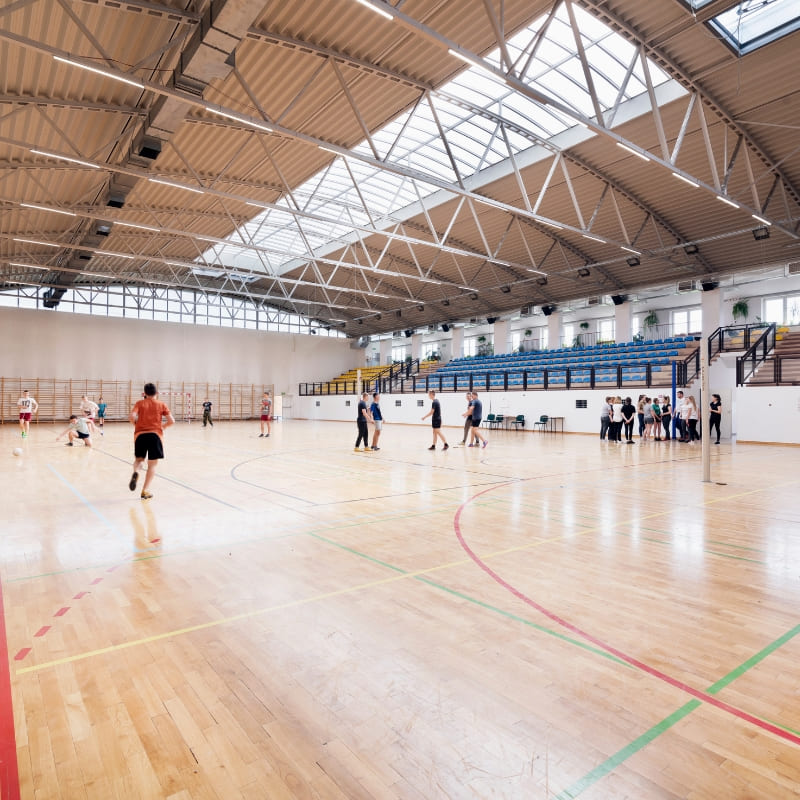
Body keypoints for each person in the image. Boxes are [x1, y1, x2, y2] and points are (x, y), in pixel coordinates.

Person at [128, 383, 175, 500]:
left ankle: (136, 472)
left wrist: (136, 425)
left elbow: (132, 417)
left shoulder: (139, 403)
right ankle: (145, 490)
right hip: (155, 435)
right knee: (152, 465)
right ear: (157, 393)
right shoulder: (161, 404)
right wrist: (163, 427)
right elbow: (172, 421)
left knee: (139, 460)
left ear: (144, 393)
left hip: (140, 435)